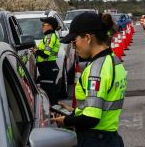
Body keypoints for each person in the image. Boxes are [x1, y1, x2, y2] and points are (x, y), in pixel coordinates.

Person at [51, 12, 127, 147]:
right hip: (111, 138)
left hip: (95, 140)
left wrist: (67, 120)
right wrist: (73, 111)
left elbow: (91, 118)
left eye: (74, 42)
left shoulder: (96, 70)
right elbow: (102, 103)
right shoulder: (114, 60)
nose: (74, 47)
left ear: (87, 38)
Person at [31, 17, 60, 105]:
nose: (42, 27)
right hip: (48, 68)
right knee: (49, 92)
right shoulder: (49, 36)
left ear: (50, 27)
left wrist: (36, 51)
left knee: (49, 94)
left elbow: (46, 53)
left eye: (44, 25)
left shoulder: (49, 37)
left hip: (48, 68)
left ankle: (54, 114)